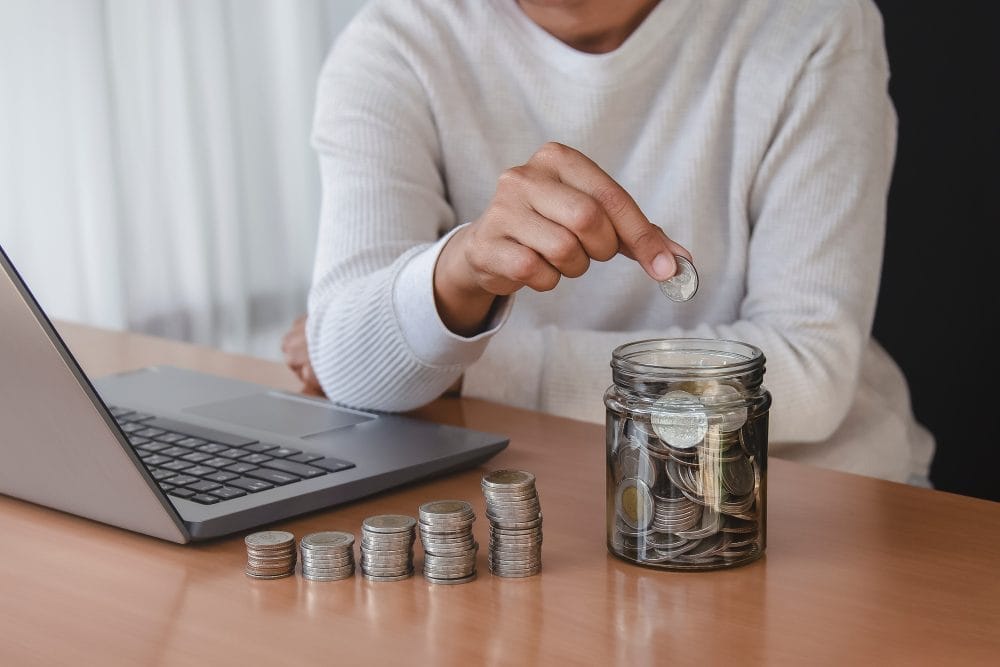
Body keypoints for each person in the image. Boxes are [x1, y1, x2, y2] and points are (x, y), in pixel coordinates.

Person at [282, 0, 935, 485]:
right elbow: (346, 360)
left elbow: (808, 373)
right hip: (539, 504)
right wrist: (461, 269)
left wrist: (459, 367)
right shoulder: (396, 44)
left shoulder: (811, 23)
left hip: (807, 501)